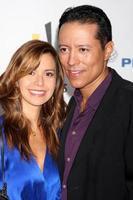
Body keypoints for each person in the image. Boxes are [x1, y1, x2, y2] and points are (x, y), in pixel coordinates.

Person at [57, 4, 133, 200]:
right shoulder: (71, 104)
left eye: (83, 49)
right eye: (64, 49)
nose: (71, 61)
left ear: (107, 50)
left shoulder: (128, 103)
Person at [0, 39, 66, 200]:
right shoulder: (2, 133)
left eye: (48, 74)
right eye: (31, 72)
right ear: (16, 79)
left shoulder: (63, 132)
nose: (40, 82)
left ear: (57, 82)